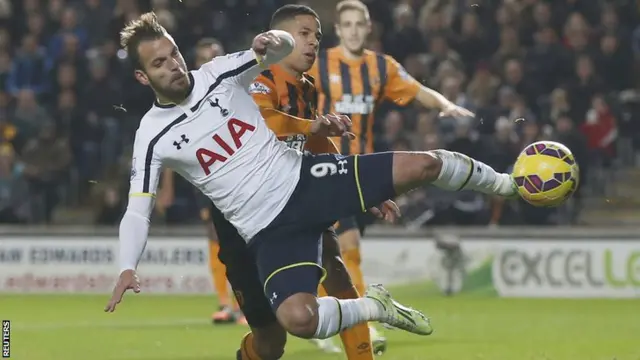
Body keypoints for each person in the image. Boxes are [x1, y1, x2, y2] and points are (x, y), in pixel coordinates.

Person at [106, 11, 516, 360]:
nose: (174, 65)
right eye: (160, 63)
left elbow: (279, 48)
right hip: (267, 229)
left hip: (305, 180)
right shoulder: (152, 136)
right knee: (297, 322)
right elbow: (137, 210)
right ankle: (375, 306)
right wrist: (127, 265)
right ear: (143, 77)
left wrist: (273, 39)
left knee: (425, 164)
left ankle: (509, 184)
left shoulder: (219, 73)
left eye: (174, 53)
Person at [308, 0, 474, 347]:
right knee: (346, 247)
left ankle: (322, 316)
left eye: (359, 24)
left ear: (369, 28)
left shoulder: (379, 67)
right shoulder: (319, 65)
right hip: (326, 169)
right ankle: (359, 325)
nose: (353, 30)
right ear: (338, 30)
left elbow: (415, 90)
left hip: (364, 176)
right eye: (347, 24)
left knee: (335, 254)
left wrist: (445, 105)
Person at [249, 5, 378, 357]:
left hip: (297, 196)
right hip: (252, 212)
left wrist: (364, 187)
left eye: (317, 37)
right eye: (304, 34)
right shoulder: (256, 79)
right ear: (280, 39)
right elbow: (262, 123)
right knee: (270, 333)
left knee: (336, 268)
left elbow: (318, 144)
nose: (313, 43)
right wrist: (311, 126)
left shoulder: (305, 87)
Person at [156, 38, 246, 325]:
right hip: (205, 176)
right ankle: (225, 304)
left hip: (239, 172)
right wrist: (167, 186)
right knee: (214, 234)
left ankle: (249, 305)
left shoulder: (234, 86)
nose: (210, 61)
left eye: (215, 56)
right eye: (204, 57)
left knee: (245, 238)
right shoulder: (183, 97)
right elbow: (172, 144)